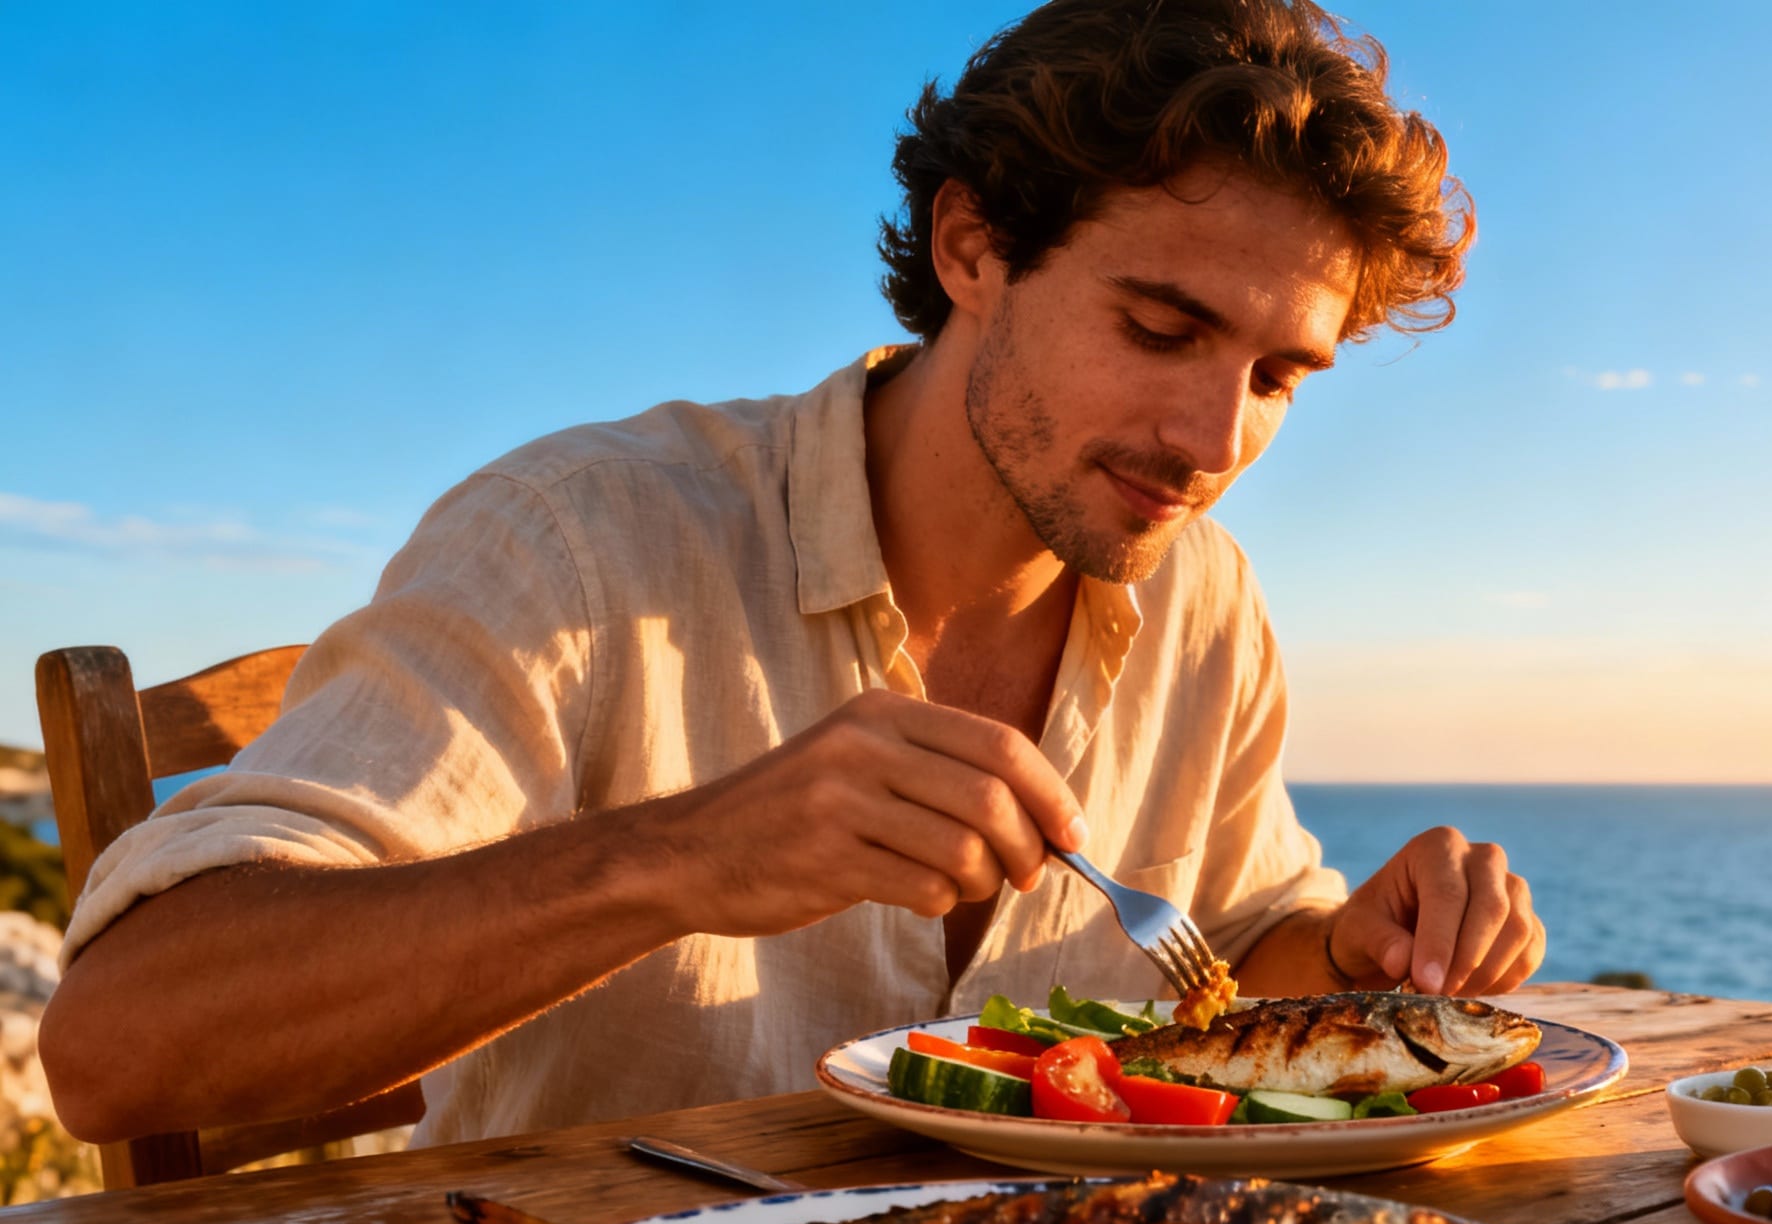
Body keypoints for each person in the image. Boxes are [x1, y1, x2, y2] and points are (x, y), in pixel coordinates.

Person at [41, 0, 1544, 1148]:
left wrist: (1347, 950)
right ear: (972, 248)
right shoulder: (584, 538)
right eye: (1160, 327)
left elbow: (1230, 942)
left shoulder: (1203, 600)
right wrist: (681, 858)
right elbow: (117, 1046)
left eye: (1281, 376)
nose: (1212, 437)